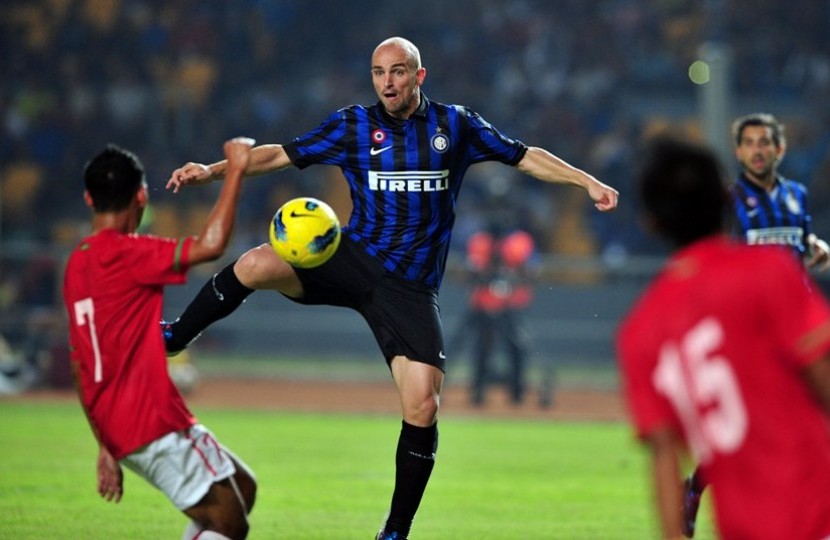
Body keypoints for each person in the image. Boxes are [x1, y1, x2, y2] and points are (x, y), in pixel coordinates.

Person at [163, 36, 619, 539]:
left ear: (419, 76)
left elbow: (524, 156)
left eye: (398, 72)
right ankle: (177, 336)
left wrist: (586, 182)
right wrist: (214, 172)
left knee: (423, 403)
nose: (388, 83)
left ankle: (395, 532)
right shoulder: (352, 125)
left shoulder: (456, 125)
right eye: (379, 73)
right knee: (254, 263)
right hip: (352, 258)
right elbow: (280, 155)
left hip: (409, 287)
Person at [617, 136, 830, 540]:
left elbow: (665, 458)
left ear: (651, 222)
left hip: (744, 526)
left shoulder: (641, 328)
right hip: (816, 512)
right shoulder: (768, 273)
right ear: (725, 200)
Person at [63, 139, 258, 540]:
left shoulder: (77, 262)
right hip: (149, 418)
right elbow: (211, 246)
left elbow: (80, 362)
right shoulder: (129, 254)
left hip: (118, 424)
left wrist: (104, 444)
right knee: (230, 524)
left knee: (244, 488)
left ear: (88, 198)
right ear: (140, 196)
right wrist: (236, 169)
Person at [681, 112, 830, 537]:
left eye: (765, 142)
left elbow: (798, 247)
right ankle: (696, 490)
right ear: (738, 151)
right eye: (749, 143)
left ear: (779, 149)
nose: (757, 150)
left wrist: (815, 248)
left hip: (799, 332)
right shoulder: (728, 205)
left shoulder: (797, 197)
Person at [463, 216, 538, 406]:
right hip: (484, 303)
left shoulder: (520, 242)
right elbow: (472, 272)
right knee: (483, 348)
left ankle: (517, 392)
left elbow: (530, 271)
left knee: (517, 347)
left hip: (512, 304)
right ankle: (478, 392)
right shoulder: (480, 242)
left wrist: (510, 280)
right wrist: (489, 277)